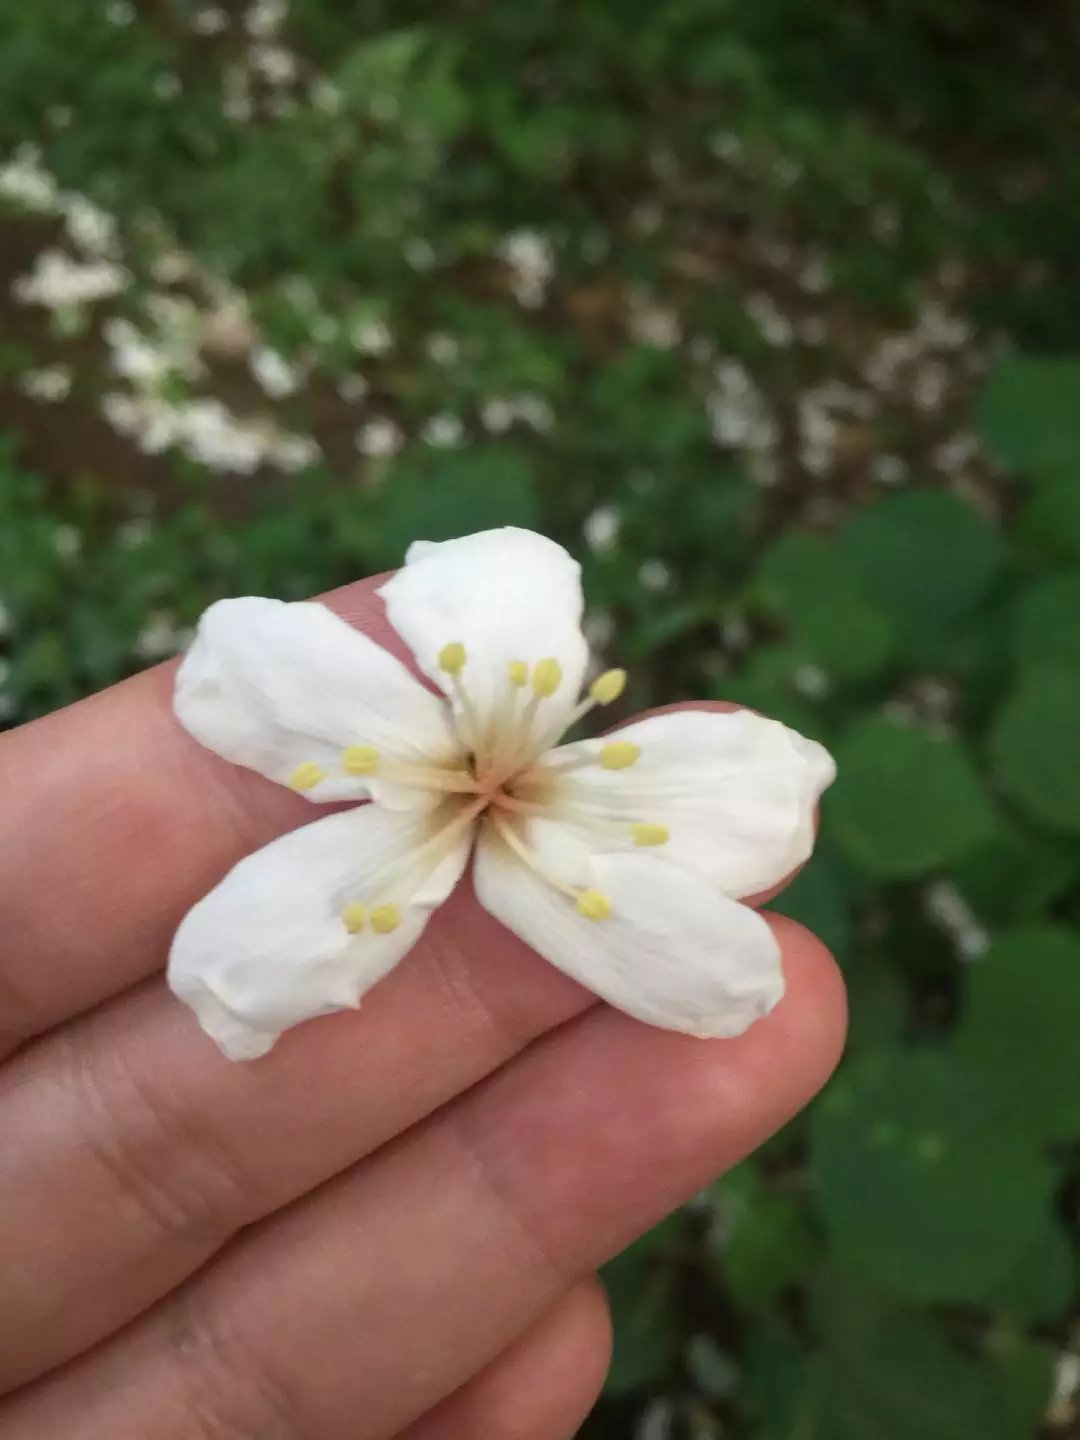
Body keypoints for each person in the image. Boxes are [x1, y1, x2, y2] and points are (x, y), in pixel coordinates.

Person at [0, 570, 846, 1439]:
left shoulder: (561, 821)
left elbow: (748, 826)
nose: (492, 788)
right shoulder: (398, 777)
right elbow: (258, 687)